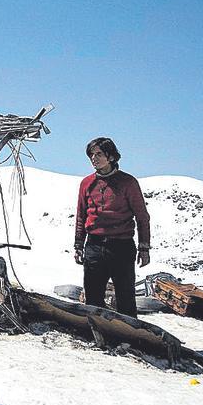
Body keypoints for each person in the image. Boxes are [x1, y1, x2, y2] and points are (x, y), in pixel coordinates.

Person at [74, 136, 151, 317]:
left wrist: (144, 247)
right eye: (91, 155)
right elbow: (81, 216)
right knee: (93, 298)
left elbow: (142, 217)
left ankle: (129, 340)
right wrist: (78, 245)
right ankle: (97, 339)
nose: (94, 158)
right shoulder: (86, 183)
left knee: (125, 298)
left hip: (121, 246)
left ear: (111, 156)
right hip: (94, 245)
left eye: (99, 154)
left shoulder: (128, 182)